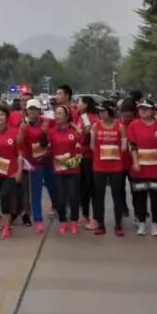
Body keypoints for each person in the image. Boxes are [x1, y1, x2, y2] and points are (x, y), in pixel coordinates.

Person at [126, 99, 157, 236]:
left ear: (153, 111)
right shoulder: (134, 125)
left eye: (146, 108)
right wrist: (135, 162)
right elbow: (133, 146)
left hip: (156, 168)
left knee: (155, 197)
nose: (143, 110)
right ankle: (142, 223)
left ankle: (155, 225)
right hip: (140, 167)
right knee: (140, 197)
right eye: (141, 108)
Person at [19, 99, 57, 234]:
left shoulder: (48, 122)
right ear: (26, 111)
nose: (33, 112)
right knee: (36, 192)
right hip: (34, 163)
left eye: (35, 109)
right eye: (31, 109)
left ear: (39, 111)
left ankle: (58, 208)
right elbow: (18, 141)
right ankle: (38, 220)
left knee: (53, 187)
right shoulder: (23, 124)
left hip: (48, 160)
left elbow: (61, 127)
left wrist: (47, 133)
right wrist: (22, 131)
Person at [90, 102, 128, 236]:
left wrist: (112, 152)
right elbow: (92, 145)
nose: (101, 114)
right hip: (99, 166)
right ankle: (101, 225)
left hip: (116, 167)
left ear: (110, 112)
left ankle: (118, 224)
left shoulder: (120, 126)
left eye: (103, 111)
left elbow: (124, 146)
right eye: (99, 111)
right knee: (99, 196)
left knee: (117, 195)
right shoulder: (95, 126)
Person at [45, 104, 82, 234]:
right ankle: (62, 221)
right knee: (60, 198)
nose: (57, 116)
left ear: (67, 117)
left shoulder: (74, 132)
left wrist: (70, 161)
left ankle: (74, 221)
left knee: (73, 197)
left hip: (73, 170)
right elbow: (46, 148)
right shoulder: (51, 132)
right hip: (58, 170)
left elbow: (80, 150)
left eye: (60, 113)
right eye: (56, 113)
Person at [0, 107, 22, 239]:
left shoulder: (14, 132)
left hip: (11, 171)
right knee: (4, 198)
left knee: (4, 195)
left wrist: (19, 170)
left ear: (7, 117)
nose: (0, 117)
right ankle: (8, 220)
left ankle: (6, 227)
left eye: (2, 115)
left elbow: (19, 153)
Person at [75, 96, 98, 230]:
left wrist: (79, 136)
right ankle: (85, 215)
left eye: (79, 103)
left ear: (85, 105)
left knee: (90, 187)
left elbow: (86, 135)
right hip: (80, 157)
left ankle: (95, 217)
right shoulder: (80, 117)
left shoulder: (87, 118)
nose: (76, 105)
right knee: (82, 187)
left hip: (88, 157)